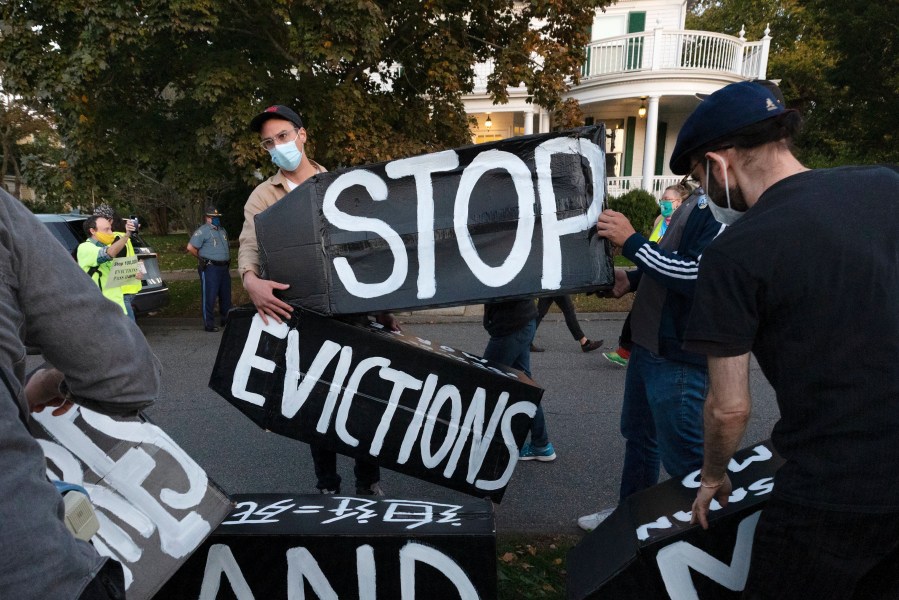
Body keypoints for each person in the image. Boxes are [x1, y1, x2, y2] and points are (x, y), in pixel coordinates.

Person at [676, 81, 899, 597]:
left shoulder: (735, 254)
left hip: (834, 489)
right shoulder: (887, 186)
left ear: (719, 163)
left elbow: (728, 408)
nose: (704, 192)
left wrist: (713, 476)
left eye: (698, 178)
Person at [0, 188, 161, 599]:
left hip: (119, 305)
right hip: (30, 569)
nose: (108, 231)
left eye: (111, 226)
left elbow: (126, 266)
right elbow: (126, 376)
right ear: (92, 230)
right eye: (103, 227)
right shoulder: (88, 250)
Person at [239, 104, 393, 495]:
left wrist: (385, 308)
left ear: (302, 135)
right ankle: (327, 483)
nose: (278, 146)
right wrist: (250, 281)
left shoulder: (341, 185)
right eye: (269, 143)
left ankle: (368, 480)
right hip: (302, 313)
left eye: (284, 136)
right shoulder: (262, 196)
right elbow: (249, 246)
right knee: (316, 401)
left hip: (353, 312)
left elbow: (369, 249)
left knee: (364, 397)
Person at [577, 180, 723, 531]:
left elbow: (696, 274)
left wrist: (631, 241)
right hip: (649, 346)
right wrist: (633, 277)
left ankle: (708, 539)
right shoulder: (700, 198)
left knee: (685, 456)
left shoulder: (724, 207)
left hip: (678, 356)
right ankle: (631, 519)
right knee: (641, 438)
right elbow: (672, 257)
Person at [602, 183, 691, 368]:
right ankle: (626, 351)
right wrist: (632, 278)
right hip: (648, 277)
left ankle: (625, 351)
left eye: (668, 200)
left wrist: (630, 241)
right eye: (662, 199)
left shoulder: (687, 222)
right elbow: (653, 251)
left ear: (680, 202)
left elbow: (681, 268)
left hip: (665, 305)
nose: (664, 203)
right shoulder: (660, 220)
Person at [483, 299, 556, 462]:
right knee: (525, 385)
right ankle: (541, 444)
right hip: (522, 322)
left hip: (511, 328)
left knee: (485, 382)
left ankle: (472, 442)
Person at [77, 214, 138, 317]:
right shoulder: (85, 248)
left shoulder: (106, 246)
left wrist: (133, 274)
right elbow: (108, 253)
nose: (111, 233)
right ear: (93, 231)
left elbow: (111, 277)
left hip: (118, 309)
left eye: (111, 229)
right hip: (102, 311)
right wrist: (127, 235)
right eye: (106, 230)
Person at [92, 204, 143, 321]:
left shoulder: (114, 238)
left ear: (110, 221)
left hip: (121, 290)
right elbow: (133, 257)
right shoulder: (121, 235)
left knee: (127, 329)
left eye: (99, 220)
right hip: (128, 288)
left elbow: (116, 263)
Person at [187, 205, 232, 332]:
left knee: (226, 295)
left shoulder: (222, 230)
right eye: (213, 217)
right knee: (210, 296)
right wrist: (202, 259)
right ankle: (209, 324)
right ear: (207, 218)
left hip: (223, 267)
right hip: (210, 267)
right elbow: (191, 247)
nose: (216, 219)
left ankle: (226, 320)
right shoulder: (203, 231)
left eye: (217, 217)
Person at [531, 295, 602, 353]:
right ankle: (584, 342)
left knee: (539, 313)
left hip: (548, 281)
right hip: (555, 283)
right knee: (569, 311)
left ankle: (525, 341)